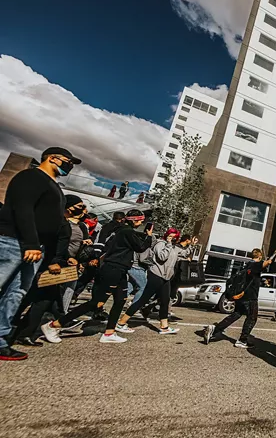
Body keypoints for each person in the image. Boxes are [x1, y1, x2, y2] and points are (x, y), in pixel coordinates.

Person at [0, 147, 81, 360]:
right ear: (52, 158)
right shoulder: (31, 177)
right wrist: (31, 243)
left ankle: (1, 339)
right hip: (14, 243)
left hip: (36, 249)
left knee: (16, 293)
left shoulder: (54, 186)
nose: (69, 166)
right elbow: (23, 210)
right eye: (68, 161)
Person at [41, 209, 152, 344]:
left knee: (120, 300)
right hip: (113, 268)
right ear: (134, 220)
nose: (141, 222)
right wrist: (149, 235)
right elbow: (141, 247)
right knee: (97, 302)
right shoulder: (126, 231)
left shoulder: (122, 231)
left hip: (121, 269)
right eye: (140, 220)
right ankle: (54, 325)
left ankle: (109, 332)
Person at [116, 229, 197, 335]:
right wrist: (168, 244)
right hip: (156, 275)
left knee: (165, 301)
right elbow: (162, 256)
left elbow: (184, 254)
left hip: (166, 277)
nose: (172, 238)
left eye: (174, 237)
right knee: (143, 300)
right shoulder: (160, 244)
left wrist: (192, 245)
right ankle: (121, 323)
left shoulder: (174, 247)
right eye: (170, 236)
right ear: (166, 235)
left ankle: (164, 327)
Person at [202, 245, 276, 348]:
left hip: (241, 296)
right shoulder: (255, 265)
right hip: (250, 296)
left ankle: (214, 329)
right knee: (252, 317)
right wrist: (275, 253)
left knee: (237, 314)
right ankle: (242, 340)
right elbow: (266, 263)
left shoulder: (248, 265)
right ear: (260, 256)